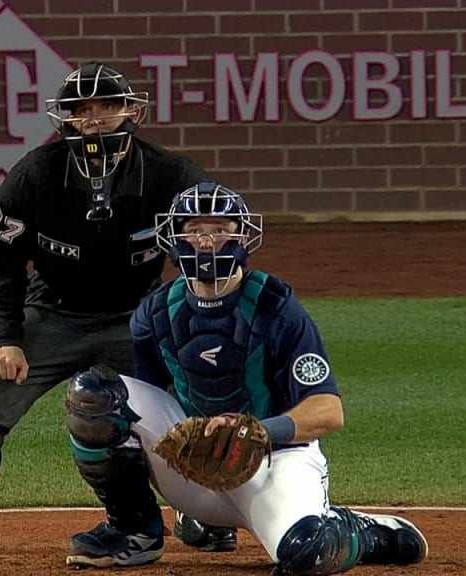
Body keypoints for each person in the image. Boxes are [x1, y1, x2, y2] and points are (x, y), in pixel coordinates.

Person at [0, 61, 237, 555]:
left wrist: (191, 321)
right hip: (51, 314)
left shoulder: (171, 175)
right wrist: (8, 338)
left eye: (106, 106)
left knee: (196, 399)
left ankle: (205, 512)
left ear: (131, 110)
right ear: (64, 119)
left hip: (138, 315)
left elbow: (217, 241)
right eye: (80, 109)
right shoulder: (34, 174)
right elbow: (5, 264)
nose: (93, 120)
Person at [63, 182, 429, 573]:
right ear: (174, 237)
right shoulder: (156, 312)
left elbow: (328, 411)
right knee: (94, 395)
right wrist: (191, 448)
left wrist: (256, 432)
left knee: (308, 552)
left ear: (241, 237)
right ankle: (135, 532)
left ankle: (358, 529)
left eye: (220, 230)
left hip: (274, 462)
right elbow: (147, 406)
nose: (206, 241)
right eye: (194, 229)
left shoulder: (276, 308)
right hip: (197, 472)